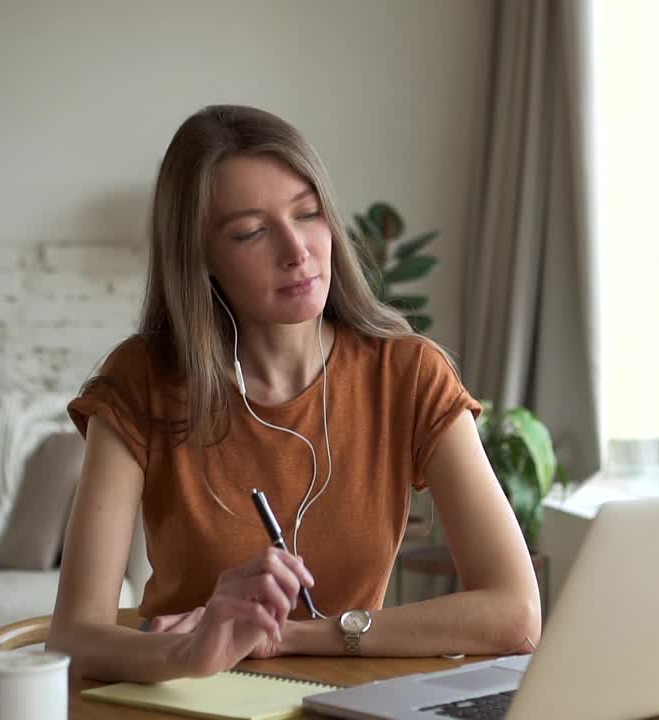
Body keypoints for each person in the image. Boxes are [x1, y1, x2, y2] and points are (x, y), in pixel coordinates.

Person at [46, 105, 540, 683]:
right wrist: (191, 651)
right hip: (187, 702)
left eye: (308, 214)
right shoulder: (141, 381)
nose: (296, 250)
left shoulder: (407, 374)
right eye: (252, 231)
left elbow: (517, 613)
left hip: (350, 705)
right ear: (200, 257)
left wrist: (289, 639)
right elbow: (75, 637)